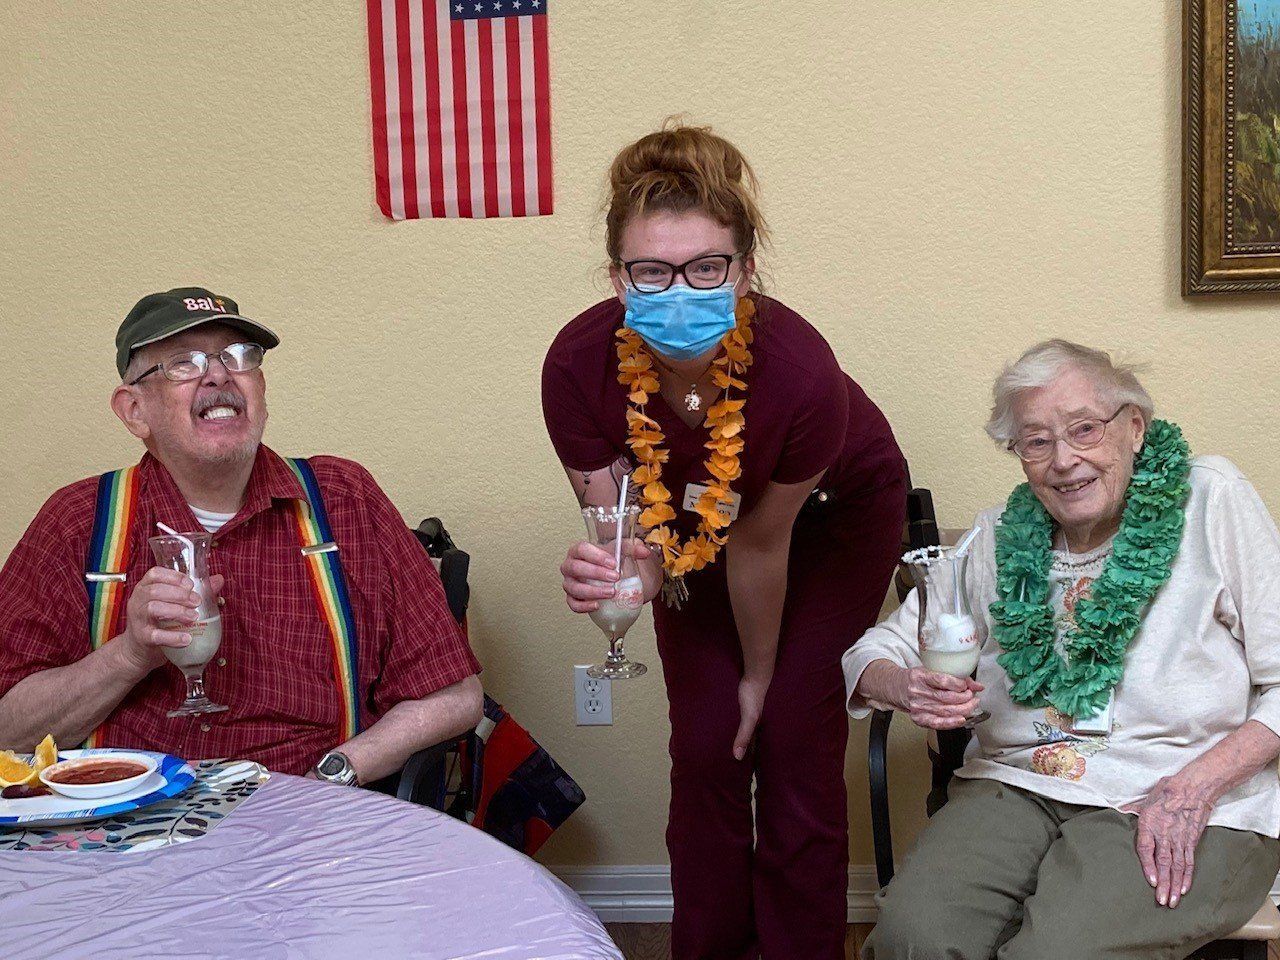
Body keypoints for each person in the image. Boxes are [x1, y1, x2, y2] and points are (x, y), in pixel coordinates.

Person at [542, 122, 907, 959]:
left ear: (744, 271)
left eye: (707, 267)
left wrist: (759, 674)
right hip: (696, 531)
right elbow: (628, 526)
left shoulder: (802, 371)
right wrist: (618, 581)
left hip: (831, 521)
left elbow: (760, 547)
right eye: (652, 270)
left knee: (789, 730)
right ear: (617, 278)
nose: (680, 288)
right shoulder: (575, 367)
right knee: (706, 742)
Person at [846, 340, 1280, 960]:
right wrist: (903, 684)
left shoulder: (1210, 499)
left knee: (1053, 953)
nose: (1065, 459)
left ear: (1134, 428)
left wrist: (1195, 786)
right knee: (913, 941)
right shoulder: (1001, 535)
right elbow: (875, 653)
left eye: (1084, 429)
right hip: (1016, 785)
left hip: (1177, 791)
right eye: (1037, 441)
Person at [0, 287, 483, 786]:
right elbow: (8, 730)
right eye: (183, 363)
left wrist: (337, 773)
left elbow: (455, 694)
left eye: (238, 356)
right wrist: (130, 654)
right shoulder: (77, 520)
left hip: (308, 819)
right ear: (134, 410)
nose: (218, 374)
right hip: (124, 835)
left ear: (261, 386)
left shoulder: (344, 501)